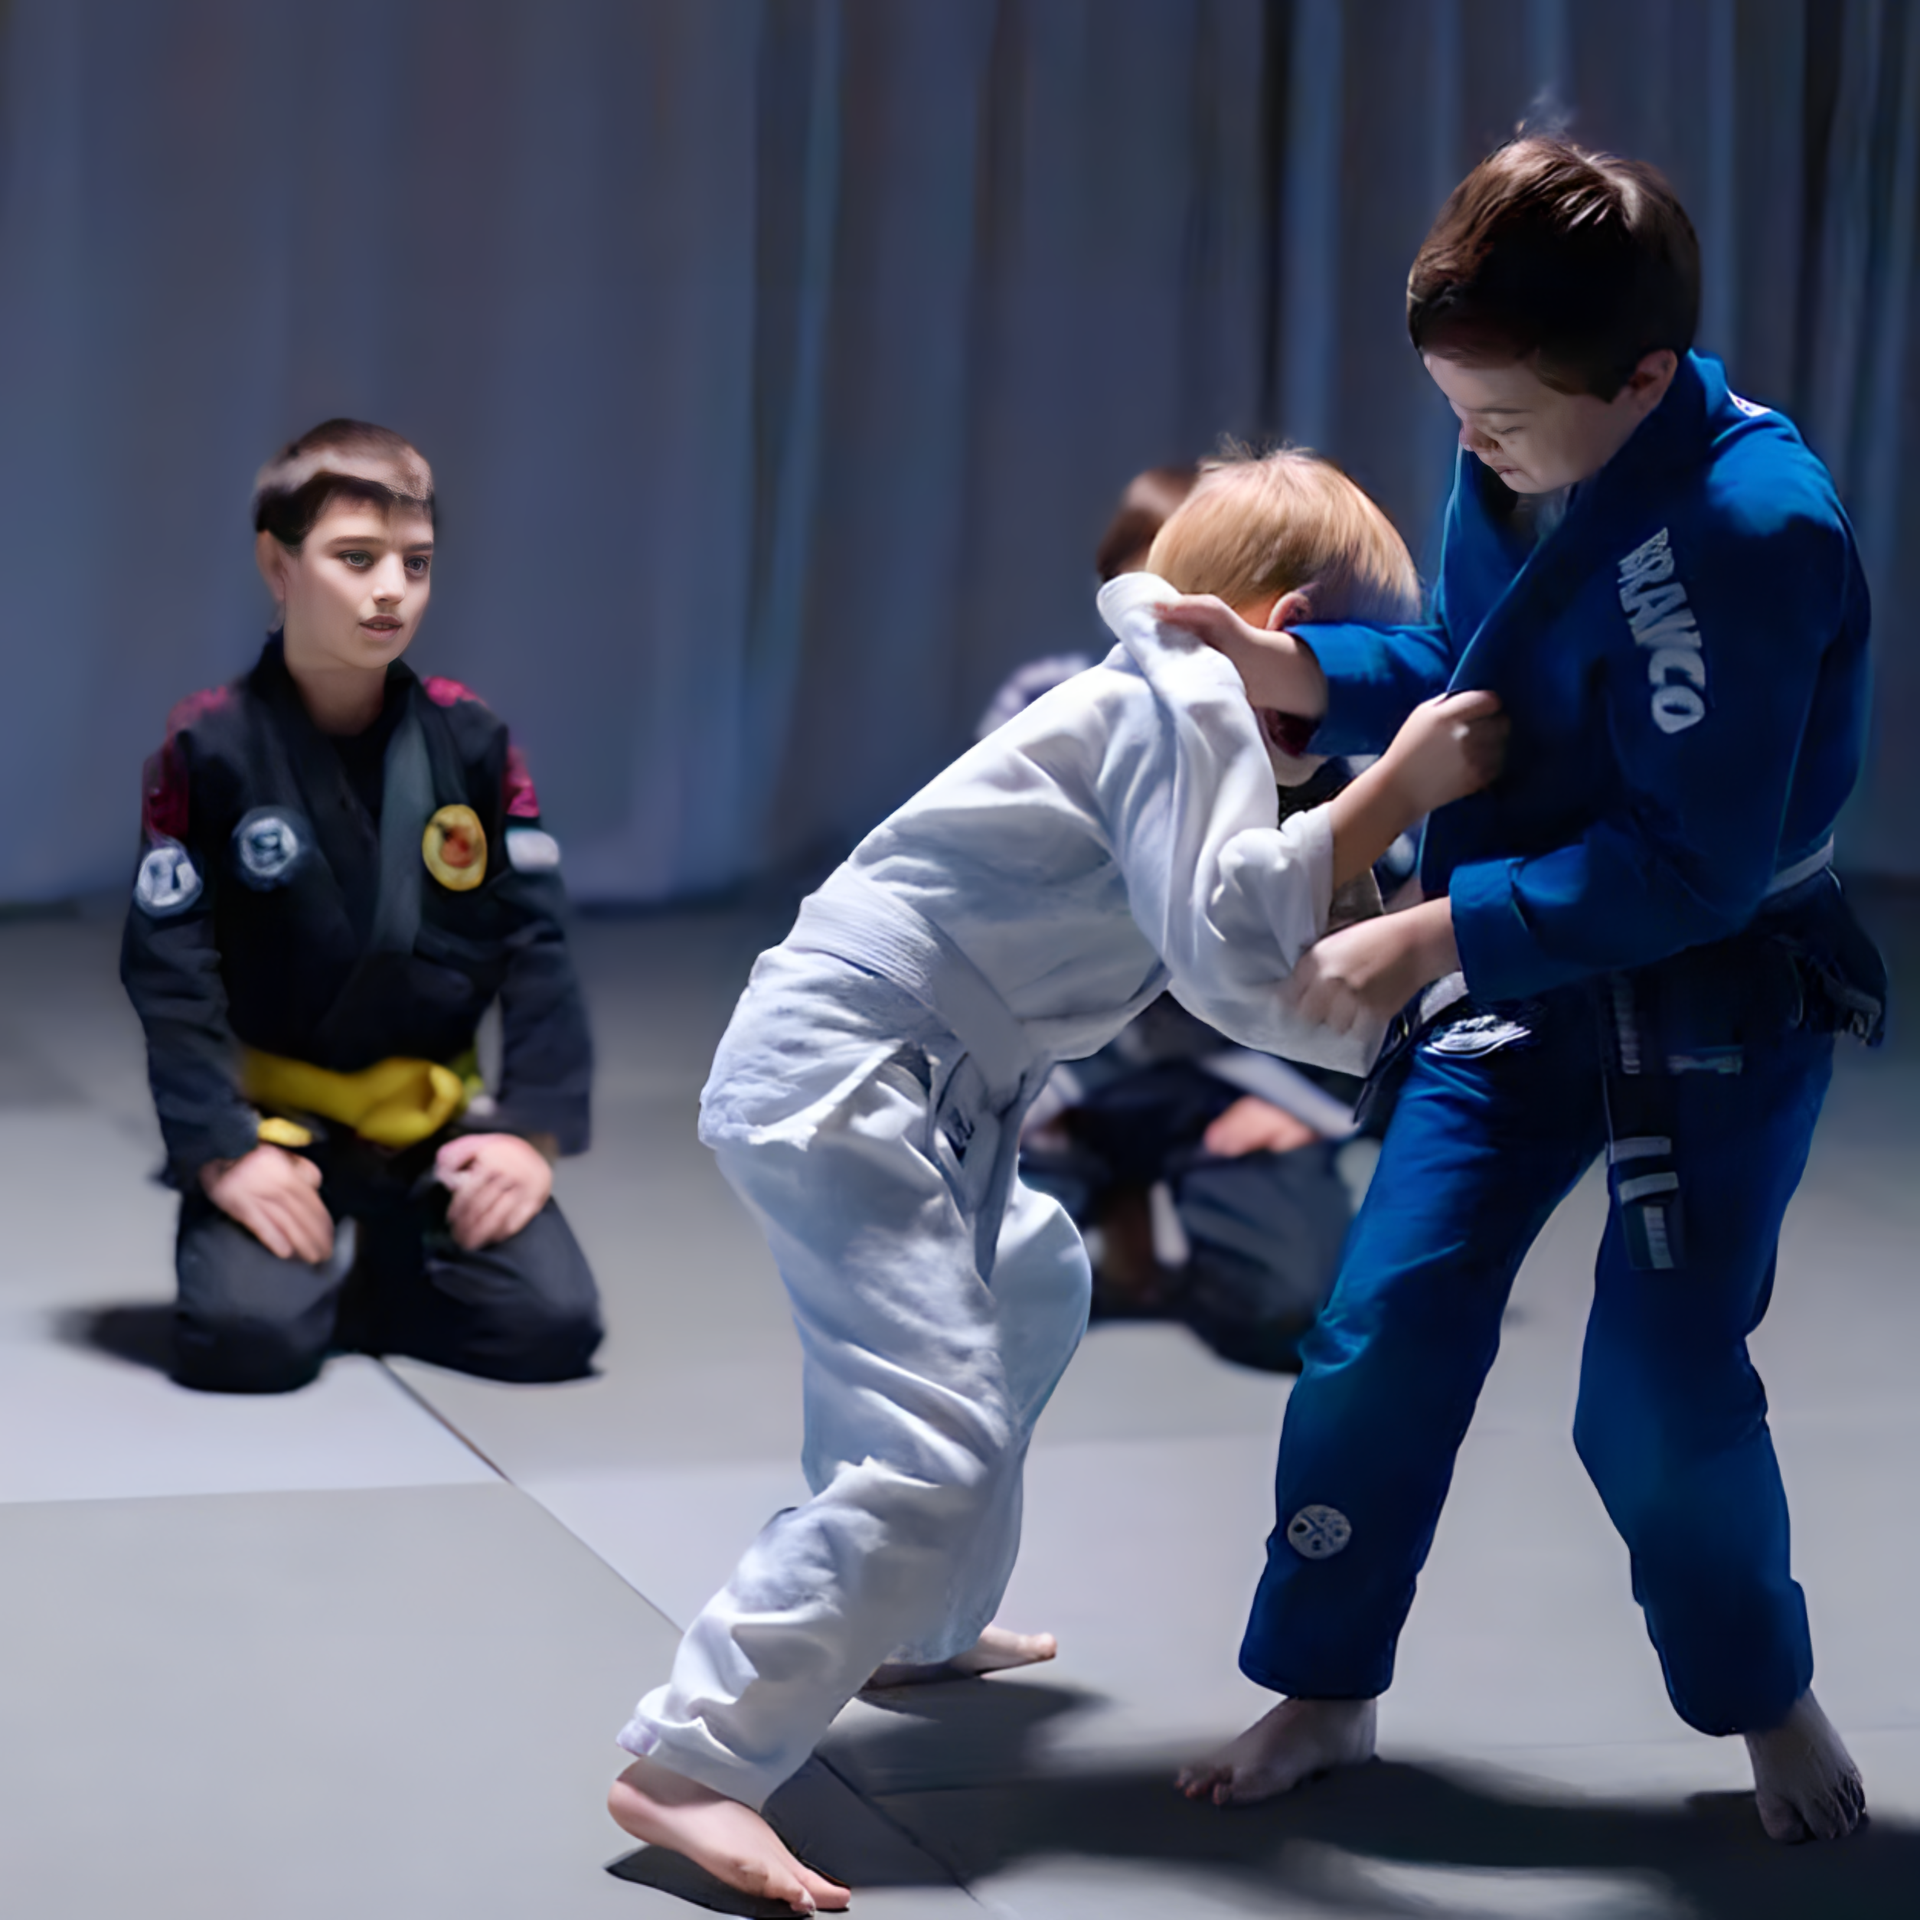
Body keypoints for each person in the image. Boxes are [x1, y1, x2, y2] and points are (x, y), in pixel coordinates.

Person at [607, 447, 1507, 1913]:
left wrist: (1424, 977)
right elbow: (1229, 950)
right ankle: (693, 1760)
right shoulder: (1179, 698)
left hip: (940, 1081)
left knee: (1033, 1279)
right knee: (934, 1440)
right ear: (1287, 631)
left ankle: (918, 1622)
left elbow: (1263, 978)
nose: (1361, 719)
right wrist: (1398, 784)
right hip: (849, 1069)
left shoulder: (1191, 713)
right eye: (1353, 680)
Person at [1161, 136, 1883, 1846]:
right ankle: (1325, 1683)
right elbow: (1475, 677)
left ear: (1642, 378)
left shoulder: (1755, 526)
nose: (1472, 442)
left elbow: (1694, 867)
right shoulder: (1527, 439)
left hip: (1707, 979)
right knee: (1379, 1327)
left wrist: (1426, 936)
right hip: (1519, 964)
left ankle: (1760, 1690)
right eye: (1458, 412)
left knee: (1657, 1387)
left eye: (1498, 417)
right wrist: (1297, 667)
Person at [121, 419, 602, 1395]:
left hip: (428, 1121)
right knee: (244, 1343)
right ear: (278, 564)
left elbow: (538, 943)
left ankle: (391, 1254)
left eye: (415, 563)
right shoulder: (207, 748)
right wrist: (222, 1152)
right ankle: (295, 1254)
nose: (392, 589)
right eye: (356, 558)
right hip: (278, 1124)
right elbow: (170, 975)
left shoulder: (471, 740)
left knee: (552, 1328)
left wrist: (528, 1130)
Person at [989, 459, 1374, 1371]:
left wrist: (1317, 1112)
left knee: (1292, 1307)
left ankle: (1199, 1215)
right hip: (1080, 1067)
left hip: (1239, 1074)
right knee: (966, 1291)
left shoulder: (1319, 741)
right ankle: (1104, 1194)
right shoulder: (1047, 705)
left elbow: (1371, 950)